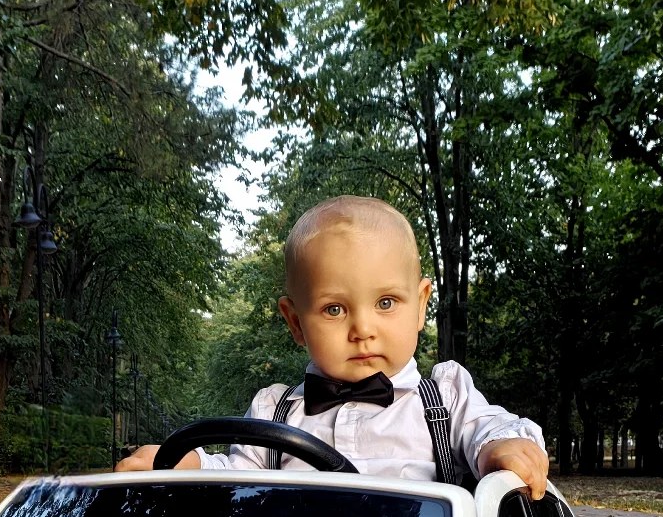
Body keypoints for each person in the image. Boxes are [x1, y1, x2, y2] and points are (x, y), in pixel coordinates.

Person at [116, 195, 549, 499]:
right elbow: (237, 480)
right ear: (295, 322)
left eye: (386, 302)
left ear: (420, 306)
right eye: (334, 309)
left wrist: (497, 450)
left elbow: (491, 428)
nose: (362, 329)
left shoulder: (447, 400)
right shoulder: (274, 413)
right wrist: (191, 463)